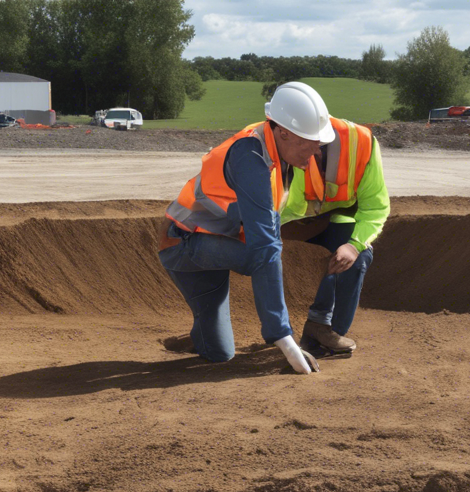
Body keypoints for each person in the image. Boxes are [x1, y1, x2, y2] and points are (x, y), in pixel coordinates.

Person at [157, 81, 332, 375]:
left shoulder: (278, 154)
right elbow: (264, 248)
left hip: (216, 245)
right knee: (262, 256)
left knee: (220, 351)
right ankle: (249, 331)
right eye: (309, 140)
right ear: (283, 132)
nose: (316, 150)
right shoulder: (250, 157)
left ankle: (201, 333)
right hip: (184, 244)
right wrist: (284, 339)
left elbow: (270, 227)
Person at [279, 114, 388, 354]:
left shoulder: (361, 144)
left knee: (356, 258)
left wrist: (353, 245)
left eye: (315, 148)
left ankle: (322, 329)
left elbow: (376, 208)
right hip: (281, 222)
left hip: (331, 220)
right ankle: (279, 329)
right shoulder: (271, 140)